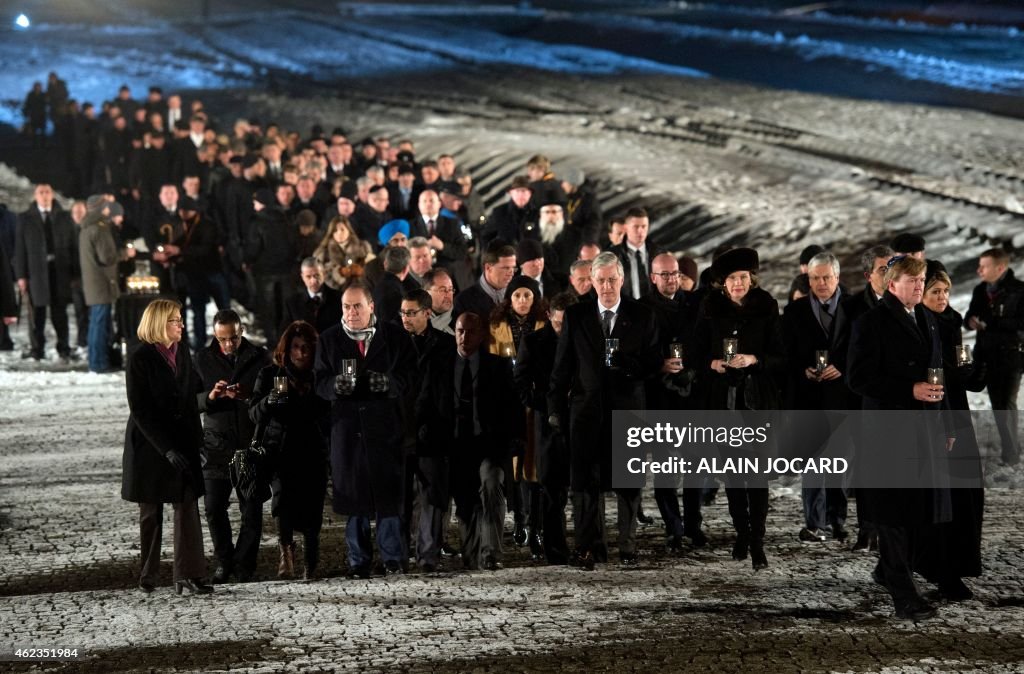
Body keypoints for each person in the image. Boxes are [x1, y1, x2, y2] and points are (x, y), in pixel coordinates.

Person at [847, 254, 954, 621]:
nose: (919, 286)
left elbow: (939, 376)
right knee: (892, 513)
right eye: (912, 281)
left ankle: (888, 572)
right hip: (887, 432)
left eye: (922, 280)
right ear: (892, 284)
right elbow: (858, 379)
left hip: (923, 428)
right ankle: (904, 596)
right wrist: (909, 389)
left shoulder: (928, 319)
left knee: (915, 512)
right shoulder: (870, 323)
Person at [548, 252, 661, 569]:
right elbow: (562, 369)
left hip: (628, 411)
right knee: (585, 486)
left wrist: (629, 364)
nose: (607, 286)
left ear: (622, 280)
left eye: (612, 279)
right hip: (586, 414)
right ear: (591, 282)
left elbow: (654, 364)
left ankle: (628, 545)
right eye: (601, 280)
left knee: (628, 484)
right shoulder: (576, 316)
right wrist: (555, 410)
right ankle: (587, 547)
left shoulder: (643, 315)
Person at [691, 247, 784, 570]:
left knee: (757, 476)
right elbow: (695, 353)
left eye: (743, 277)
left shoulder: (767, 305)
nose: (738, 284)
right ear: (722, 283)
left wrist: (754, 360)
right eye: (732, 279)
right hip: (724, 402)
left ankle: (757, 540)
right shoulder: (710, 307)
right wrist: (712, 363)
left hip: (756, 401)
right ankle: (741, 532)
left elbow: (780, 355)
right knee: (733, 475)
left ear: (751, 279)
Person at [314, 283, 416, 577]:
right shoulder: (330, 339)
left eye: (357, 306)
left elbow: (411, 375)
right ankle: (358, 560)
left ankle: (393, 557)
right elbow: (319, 380)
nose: (351, 312)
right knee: (355, 499)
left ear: (371, 306)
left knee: (387, 498)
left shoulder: (395, 337)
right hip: (348, 432)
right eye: (346, 307)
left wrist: (388, 384)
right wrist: (334, 386)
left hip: (385, 430)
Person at [121, 299, 212, 595]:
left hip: (183, 440)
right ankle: (149, 572)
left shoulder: (182, 352)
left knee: (187, 507)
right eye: (175, 320)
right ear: (160, 323)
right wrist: (166, 448)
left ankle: (190, 572)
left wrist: (198, 438)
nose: (181, 325)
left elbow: (192, 395)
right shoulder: (140, 358)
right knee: (151, 512)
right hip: (150, 446)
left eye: (181, 319)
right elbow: (140, 409)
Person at [417, 312, 516, 570]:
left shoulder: (497, 367)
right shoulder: (439, 364)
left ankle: (491, 553)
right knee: (460, 500)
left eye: (470, 332)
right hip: (449, 444)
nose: (463, 337)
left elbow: (510, 410)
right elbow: (424, 403)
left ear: (481, 334)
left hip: (486, 445)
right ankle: (465, 555)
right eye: (459, 331)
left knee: (491, 484)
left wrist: (506, 445)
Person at [918, 262, 983, 601]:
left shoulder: (952, 320)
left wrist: (971, 371)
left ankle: (956, 565)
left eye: (945, 291)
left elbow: (958, 370)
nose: (942, 297)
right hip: (938, 415)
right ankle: (942, 571)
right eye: (935, 292)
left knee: (966, 493)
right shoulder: (919, 324)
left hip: (956, 412)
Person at [193, 310, 270, 583]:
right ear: (215, 335)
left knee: (251, 507)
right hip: (216, 445)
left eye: (234, 338)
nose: (228, 344)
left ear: (242, 332)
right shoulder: (202, 359)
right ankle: (224, 560)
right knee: (214, 507)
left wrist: (248, 396)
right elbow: (191, 400)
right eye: (223, 339)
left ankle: (244, 563)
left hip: (248, 444)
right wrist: (211, 397)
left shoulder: (260, 358)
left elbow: (273, 397)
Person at [250, 321, 331, 580]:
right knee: (282, 504)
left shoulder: (320, 375)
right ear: (287, 349)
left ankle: (311, 560)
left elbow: (328, 413)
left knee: (312, 506)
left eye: (306, 347)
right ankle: (286, 556)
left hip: (312, 449)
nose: (301, 352)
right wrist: (269, 401)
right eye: (296, 347)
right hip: (281, 450)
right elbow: (253, 413)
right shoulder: (271, 375)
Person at [782, 252, 852, 542]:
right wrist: (803, 370)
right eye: (814, 278)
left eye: (826, 277)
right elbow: (786, 352)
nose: (821, 283)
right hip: (808, 396)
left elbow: (862, 349)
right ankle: (815, 522)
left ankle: (837, 520)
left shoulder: (854, 308)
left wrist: (843, 368)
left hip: (842, 396)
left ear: (837, 277)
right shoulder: (794, 311)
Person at [514, 291, 578, 564]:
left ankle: (588, 544)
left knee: (581, 487)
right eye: (558, 323)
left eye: (567, 324)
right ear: (549, 316)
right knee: (551, 489)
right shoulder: (533, 342)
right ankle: (555, 548)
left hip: (578, 418)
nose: (561, 329)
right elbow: (520, 383)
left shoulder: (584, 339)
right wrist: (547, 404)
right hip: (546, 422)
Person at [488, 275, 547, 557]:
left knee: (534, 468)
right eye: (517, 296)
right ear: (509, 299)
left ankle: (536, 526)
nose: (523, 301)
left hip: (535, 404)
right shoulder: (496, 327)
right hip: (507, 404)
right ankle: (520, 521)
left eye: (527, 295)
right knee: (515, 467)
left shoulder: (543, 326)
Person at [964, 247, 1024, 466]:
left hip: (1011, 356)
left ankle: (1011, 454)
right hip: (986, 355)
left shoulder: (1019, 291)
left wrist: (992, 323)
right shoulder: (981, 290)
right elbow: (970, 314)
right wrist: (970, 321)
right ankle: (1008, 450)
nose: (979, 270)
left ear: (1000, 268)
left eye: (984, 266)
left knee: (1006, 404)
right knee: (996, 402)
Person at [14, 183, 77, 361]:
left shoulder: (64, 217)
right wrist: (21, 276)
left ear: (52, 194)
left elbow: (73, 246)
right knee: (37, 315)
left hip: (60, 272)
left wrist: (74, 273)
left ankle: (63, 348)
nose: (44, 195)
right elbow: (20, 250)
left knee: (60, 314)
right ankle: (37, 349)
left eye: (48, 192)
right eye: (41, 192)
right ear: (35, 196)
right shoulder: (25, 218)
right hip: (36, 274)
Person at [79, 196, 135, 372]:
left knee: (96, 322)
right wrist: (126, 253)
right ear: (101, 209)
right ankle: (99, 363)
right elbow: (107, 257)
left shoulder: (86, 228)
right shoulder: (100, 228)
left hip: (94, 283)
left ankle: (96, 361)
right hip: (102, 283)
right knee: (100, 324)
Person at [282, 257, 342, 335]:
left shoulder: (339, 298)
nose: (313, 281)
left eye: (317, 275)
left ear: (323, 274)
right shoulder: (292, 304)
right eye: (308, 277)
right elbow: (286, 335)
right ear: (302, 277)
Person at [313, 215, 374, 292]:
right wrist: (339, 272)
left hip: (362, 290)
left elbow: (373, 271)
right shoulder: (323, 253)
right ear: (331, 233)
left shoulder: (363, 248)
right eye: (335, 231)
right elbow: (323, 275)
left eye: (342, 229)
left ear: (349, 230)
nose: (339, 233)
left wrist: (362, 272)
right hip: (334, 293)